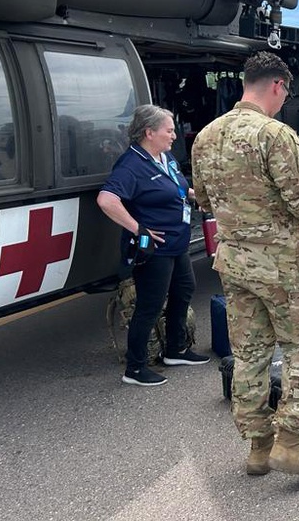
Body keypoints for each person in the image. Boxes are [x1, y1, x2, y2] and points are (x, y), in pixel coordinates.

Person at [191, 52, 299, 478]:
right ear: (276, 85)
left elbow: (203, 200)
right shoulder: (275, 135)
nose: (284, 99)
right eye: (285, 92)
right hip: (282, 265)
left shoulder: (206, 136)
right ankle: (291, 442)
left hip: (233, 261)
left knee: (250, 353)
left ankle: (258, 448)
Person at [97, 104, 209, 387]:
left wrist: (201, 197)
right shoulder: (131, 165)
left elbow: (179, 188)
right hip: (154, 249)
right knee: (150, 305)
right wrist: (139, 229)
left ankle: (176, 349)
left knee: (184, 291)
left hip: (177, 242)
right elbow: (107, 200)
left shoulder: (164, 156)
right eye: (169, 130)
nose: (174, 135)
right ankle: (135, 368)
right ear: (149, 132)